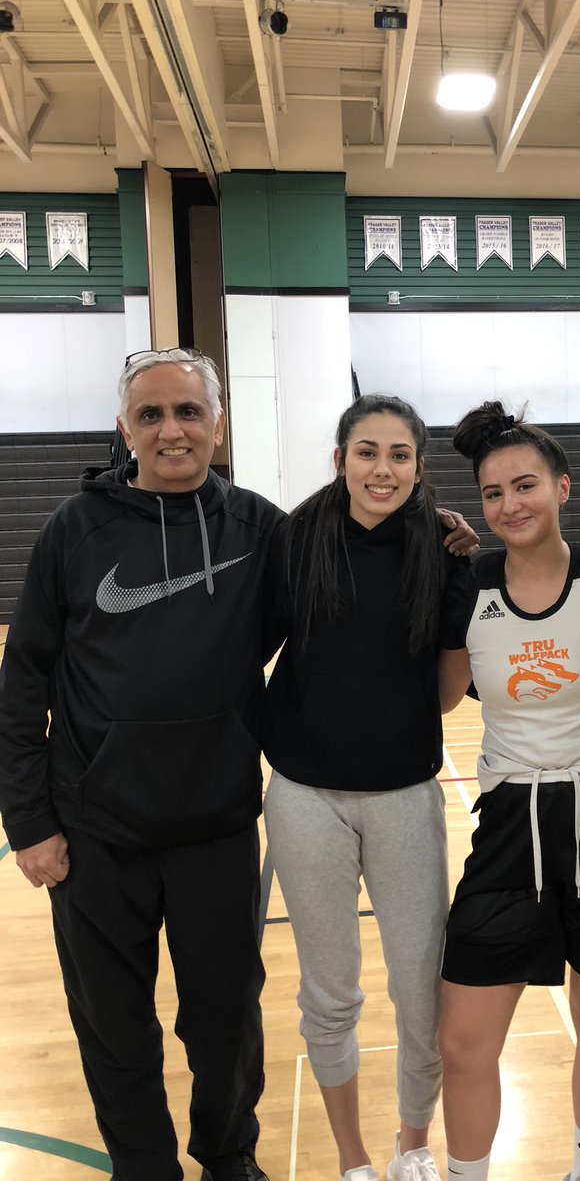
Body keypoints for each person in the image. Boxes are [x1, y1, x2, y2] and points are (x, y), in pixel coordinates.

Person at [0, 348, 284, 1181]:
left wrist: (438, 540)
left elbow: (346, 591)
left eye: (189, 412)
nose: (171, 430)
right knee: (115, 1028)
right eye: (152, 414)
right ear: (125, 429)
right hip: (95, 836)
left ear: (218, 424)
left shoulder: (260, 529)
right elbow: (22, 684)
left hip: (217, 829)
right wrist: (29, 822)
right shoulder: (73, 531)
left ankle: (229, 1157)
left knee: (227, 1023)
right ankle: (144, 1167)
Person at [437, 402, 580, 1181]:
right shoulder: (467, 585)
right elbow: (439, 695)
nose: (510, 505)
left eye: (526, 485)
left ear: (563, 487)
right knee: (463, 1040)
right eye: (494, 492)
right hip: (510, 828)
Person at [261, 394, 478, 1181]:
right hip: (304, 795)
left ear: (420, 468)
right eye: (366, 452)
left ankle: (411, 1143)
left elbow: (451, 693)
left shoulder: (446, 552)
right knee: (331, 993)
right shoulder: (295, 540)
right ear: (340, 458)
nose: (381, 469)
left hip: (403, 797)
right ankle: (353, 1157)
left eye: (398, 455)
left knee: (423, 993)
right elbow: (255, 647)